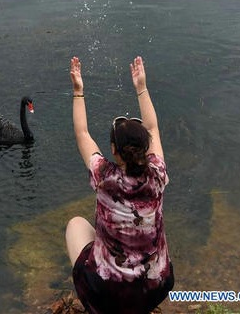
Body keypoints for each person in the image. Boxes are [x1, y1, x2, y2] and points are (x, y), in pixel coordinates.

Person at [65, 56, 174, 314]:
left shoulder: (104, 176)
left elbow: (82, 133)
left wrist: (78, 91)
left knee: (76, 225)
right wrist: (141, 87)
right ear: (145, 148)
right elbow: (153, 127)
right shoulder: (157, 173)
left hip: (107, 293)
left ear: (113, 150)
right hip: (155, 287)